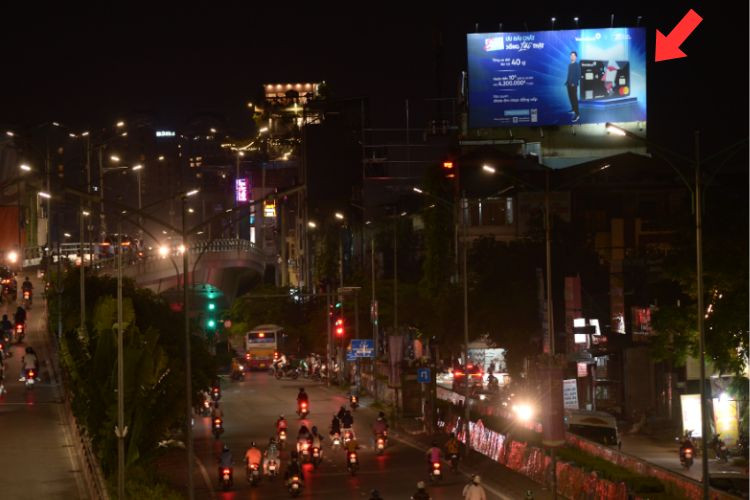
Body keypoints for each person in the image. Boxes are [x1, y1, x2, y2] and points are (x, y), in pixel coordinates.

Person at [565, 50, 581, 122]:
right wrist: (567, 82)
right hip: (568, 84)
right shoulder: (569, 65)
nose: (572, 56)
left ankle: (577, 115)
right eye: (571, 55)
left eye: (573, 55)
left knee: (574, 99)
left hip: (573, 85)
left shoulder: (577, 65)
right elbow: (569, 74)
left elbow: (579, 76)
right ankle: (573, 109)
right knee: (570, 98)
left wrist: (574, 83)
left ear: (576, 57)